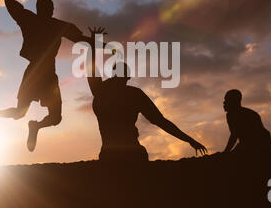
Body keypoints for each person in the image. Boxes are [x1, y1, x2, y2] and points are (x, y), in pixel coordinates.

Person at [0, 0, 92, 152]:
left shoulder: (54, 25)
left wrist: (100, 43)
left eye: (49, 9)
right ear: (40, 10)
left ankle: (34, 126)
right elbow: (8, 0)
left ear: (51, 11)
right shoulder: (30, 20)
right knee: (20, 113)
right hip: (36, 72)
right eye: (45, 9)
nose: (47, 12)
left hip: (48, 74)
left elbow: (81, 39)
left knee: (54, 118)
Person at [86, 27, 207, 162]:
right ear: (127, 77)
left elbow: (90, 68)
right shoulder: (132, 94)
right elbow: (161, 121)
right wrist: (189, 140)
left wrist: (94, 43)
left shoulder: (101, 90)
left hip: (112, 154)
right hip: (130, 154)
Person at [222, 89, 271, 153]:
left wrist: (225, 152)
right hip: (247, 142)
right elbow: (234, 135)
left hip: (259, 141)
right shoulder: (230, 115)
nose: (224, 102)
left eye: (227, 100)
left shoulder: (246, 115)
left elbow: (234, 136)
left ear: (234, 101)